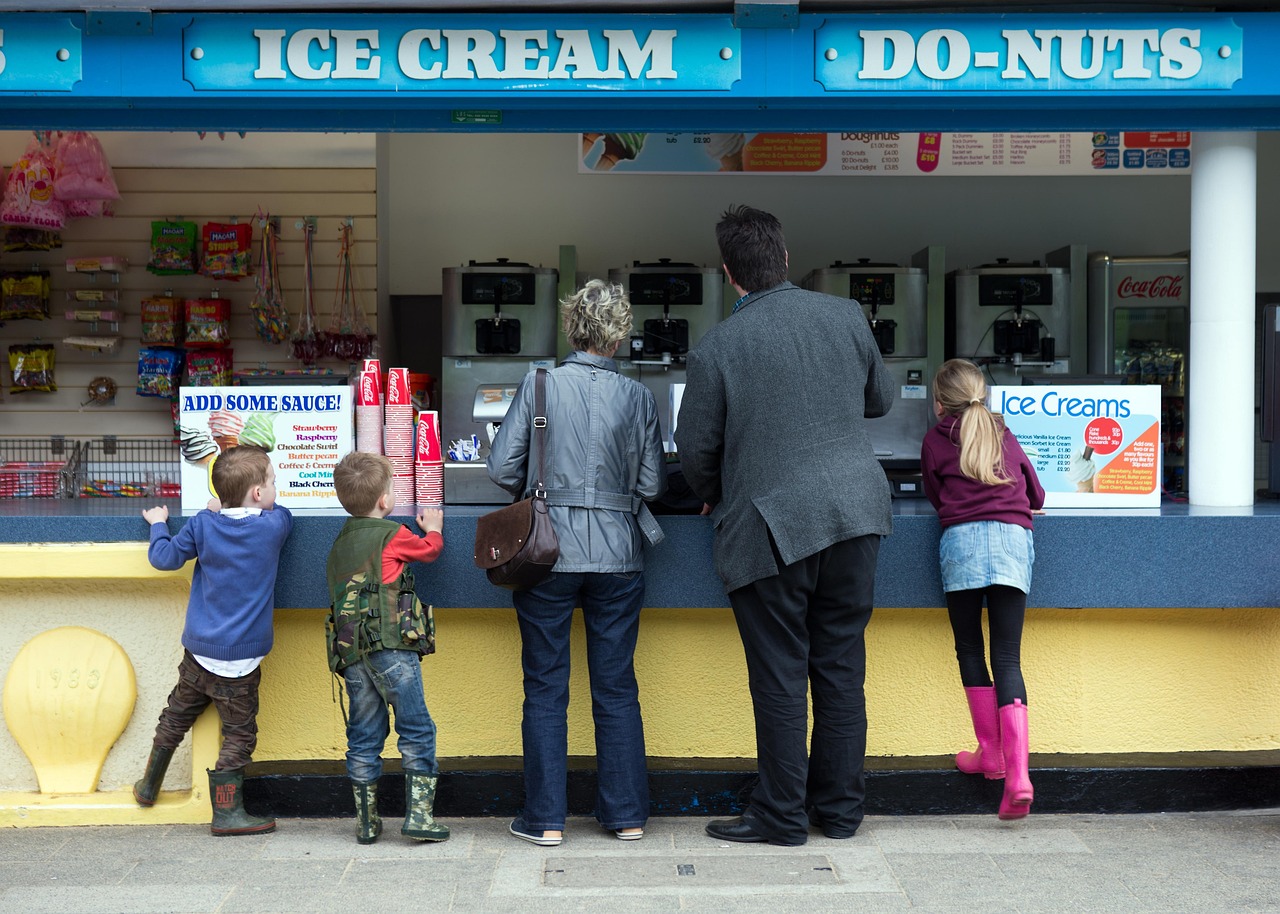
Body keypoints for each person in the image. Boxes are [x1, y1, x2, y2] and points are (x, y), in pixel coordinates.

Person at [675, 205, 895, 846]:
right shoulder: (845, 316)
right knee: (840, 670)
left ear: (728, 273)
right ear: (786, 257)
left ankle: (780, 816)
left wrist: (717, 493)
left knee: (780, 678)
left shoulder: (717, 347)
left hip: (771, 526)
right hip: (856, 517)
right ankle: (841, 811)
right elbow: (880, 400)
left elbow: (695, 451)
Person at [487, 278, 667, 847]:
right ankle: (627, 816)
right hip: (619, 558)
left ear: (572, 328)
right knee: (616, 687)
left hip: (546, 555)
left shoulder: (539, 384)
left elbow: (500, 469)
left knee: (545, 687)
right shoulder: (639, 397)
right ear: (619, 334)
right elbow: (651, 485)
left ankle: (544, 820)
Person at [134, 445, 293, 836]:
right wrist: (231, 506)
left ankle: (149, 785)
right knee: (239, 734)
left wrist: (159, 524)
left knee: (176, 715)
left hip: (198, 653)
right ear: (258, 493)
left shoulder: (203, 524)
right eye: (272, 483)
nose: (275, 490)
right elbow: (282, 513)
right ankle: (226, 812)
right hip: (241, 665)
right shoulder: (272, 527)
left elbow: (164, 558)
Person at [920, 358, 1045, 820]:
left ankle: (990, 754)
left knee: (970, 649)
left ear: (939, 403)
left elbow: (936, 497)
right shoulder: (1002, 433)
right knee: (1007, 658)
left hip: (963, 544)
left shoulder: (935, 440)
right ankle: (1018, 777)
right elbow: (1036, 495)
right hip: (1013, 540)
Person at [327, 451, 449, 844]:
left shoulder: (340, 542)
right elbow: (429, 551)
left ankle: (366, 823)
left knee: (364, 735)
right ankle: (420, 818)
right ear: (384, 500)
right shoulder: (392, 534)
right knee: (416, 729)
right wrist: (434, 528)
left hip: (351, 654)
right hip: (393, 649)